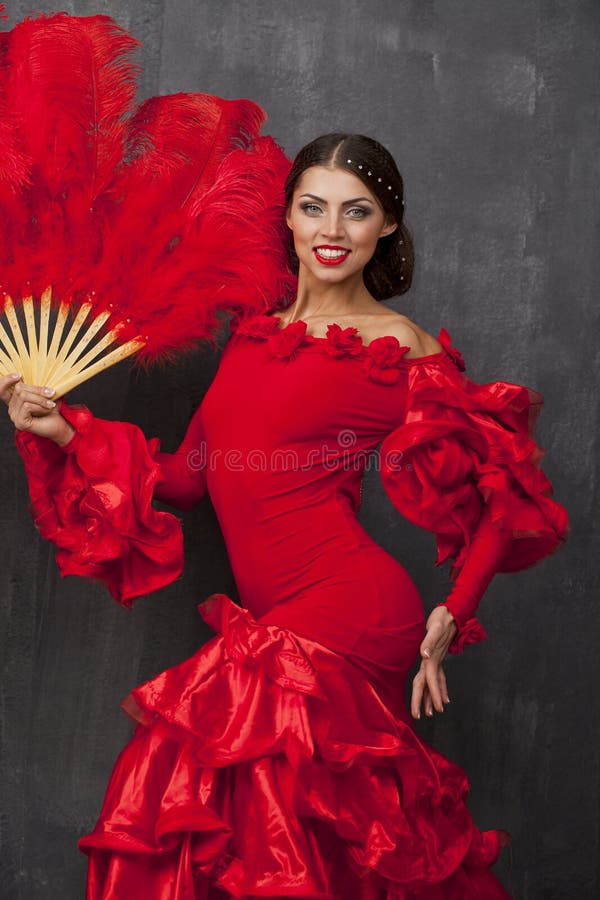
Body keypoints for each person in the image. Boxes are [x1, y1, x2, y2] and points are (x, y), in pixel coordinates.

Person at [3, 132, 569, 899]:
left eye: (356, 212)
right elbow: (187, 481)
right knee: (277, 839)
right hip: (282, 614)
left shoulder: (398, 349)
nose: (332, 232)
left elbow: (510, 490)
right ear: (291, 221)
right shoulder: (252, 333)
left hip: (353, 611)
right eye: (314, 208)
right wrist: (68, 431)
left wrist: (451, 614)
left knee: (190, 783)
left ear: (387, 227)